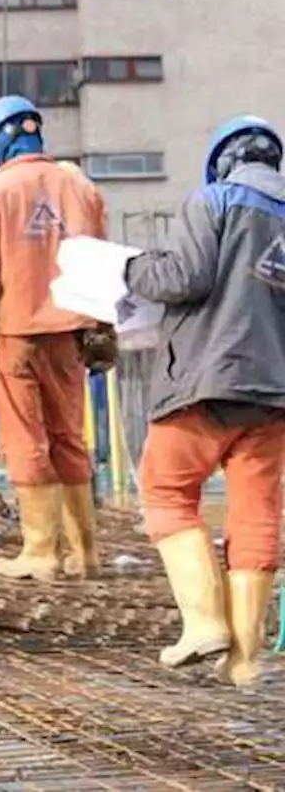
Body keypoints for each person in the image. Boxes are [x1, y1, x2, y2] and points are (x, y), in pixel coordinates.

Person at [124, 115, 285, 686]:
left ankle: (202, 624)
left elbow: (184, 276)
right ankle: (245, 660)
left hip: (206, 383)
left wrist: (132, 267)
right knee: (256, 511)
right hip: (273, 397)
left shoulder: (214, 200)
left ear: (224, 160)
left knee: (166, 488)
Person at [0, 95, 115, 583]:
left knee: (25, 440)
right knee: (68, 438)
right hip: (72, 333)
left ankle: (41, 551)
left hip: (18, 333)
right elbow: (102, 257)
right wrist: (104, 326)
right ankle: (85, 552)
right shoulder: (79, 185)